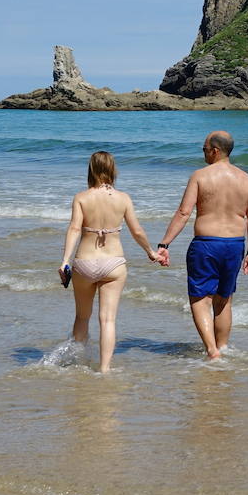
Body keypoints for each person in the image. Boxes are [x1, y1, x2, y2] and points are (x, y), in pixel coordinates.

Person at [154, 130, 248, 360]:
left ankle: (212, 350)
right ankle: (222, 347)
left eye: (203, 149)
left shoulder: (200, 176)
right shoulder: (245, 179)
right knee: (224, 299)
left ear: (215, 150)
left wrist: (165, 243)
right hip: (234, 246)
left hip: (206, 245)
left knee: (201, 299)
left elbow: (184, 212)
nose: (202, 154)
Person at [60, 150, 160, 373]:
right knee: (108, 320)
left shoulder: (82, 197)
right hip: (114, 264)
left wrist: (65, 260)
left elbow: (75, 228)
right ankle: (104, 370)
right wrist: (150, 252)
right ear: (112, 169)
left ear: (91, 169)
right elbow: (137, 231)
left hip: (85, 262)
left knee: (82, 317)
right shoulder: (123, 198)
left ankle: (77, 363)